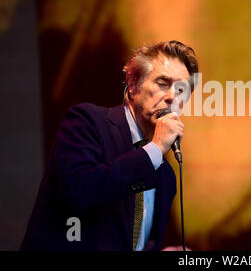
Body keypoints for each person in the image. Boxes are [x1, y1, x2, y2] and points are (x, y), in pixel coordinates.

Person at [21, 40, 199, 251]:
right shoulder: (87, 122)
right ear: (133, 85)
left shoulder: (165, 176)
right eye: (162, 83)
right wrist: (155, 148)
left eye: (181, 90)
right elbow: (79, 192)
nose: (172, 97)